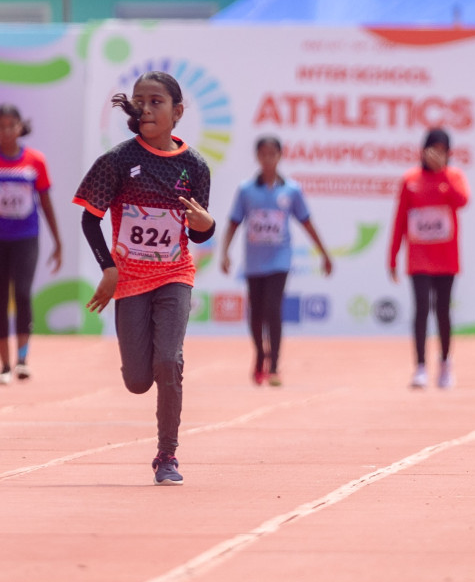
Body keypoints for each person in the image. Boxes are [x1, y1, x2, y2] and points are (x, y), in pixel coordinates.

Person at [74, 71, 215, 486]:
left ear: (178, 112)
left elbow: (197, 230)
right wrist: (109, 268)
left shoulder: (194, 168)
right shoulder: (117, 161)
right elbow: (89, 218)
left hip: (174, 274)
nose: (146, 108)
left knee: (168, 361)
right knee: (138, 380)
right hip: (131, 281)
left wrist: (207, 225)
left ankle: (167, 455)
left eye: (156, 101)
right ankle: (149, 371)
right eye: (140, 101)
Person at [219, 136, 334, 388]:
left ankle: (274, 366)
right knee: (256, 315)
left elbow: (307, 222)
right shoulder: (246, 190)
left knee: (273, 309)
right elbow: (233, 223)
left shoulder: (291, 190)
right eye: (263, 154)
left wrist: (324, 253)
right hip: (254, 263)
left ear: (280, 156)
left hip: (280, 261)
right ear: (257, 157)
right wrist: (225, 251)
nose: (268, 159)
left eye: (273, 154)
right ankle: (260, 354)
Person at [388, 128, 468, 391]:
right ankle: (420, 366)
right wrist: (392, 256)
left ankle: (445, 363)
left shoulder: (454, 177)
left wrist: (443, 172)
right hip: (419, 259)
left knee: (442, 311)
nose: (436, 154)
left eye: (442, 150)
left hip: (446, 258)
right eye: (432, 149)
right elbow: (400, 219)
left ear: (448, 153)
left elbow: (462, 200)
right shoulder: (411, 179)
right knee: (421, 309)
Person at [0, 105, 62, 385]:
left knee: (22, 293)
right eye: (0, 126)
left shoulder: (35, 161)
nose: (5, 132)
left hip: (26, 237)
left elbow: (46, 202)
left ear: (20, 127)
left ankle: (22, 359)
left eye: (10, 125)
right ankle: (4, 366)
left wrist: (58, 241)